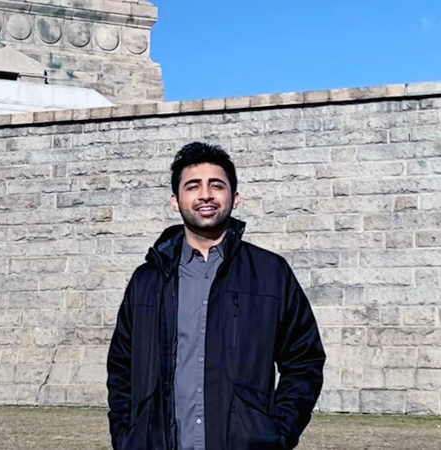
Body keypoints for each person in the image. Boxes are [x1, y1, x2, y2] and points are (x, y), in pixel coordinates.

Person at [107, 142, 325, 450]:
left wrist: (277, 433)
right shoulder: (147, 280)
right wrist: (126, 435)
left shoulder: (270, 273)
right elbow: (121, 367)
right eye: (193, 186)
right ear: (175, 200)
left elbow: (304, 360)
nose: (205, 195)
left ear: (234, 198)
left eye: (217, 185)